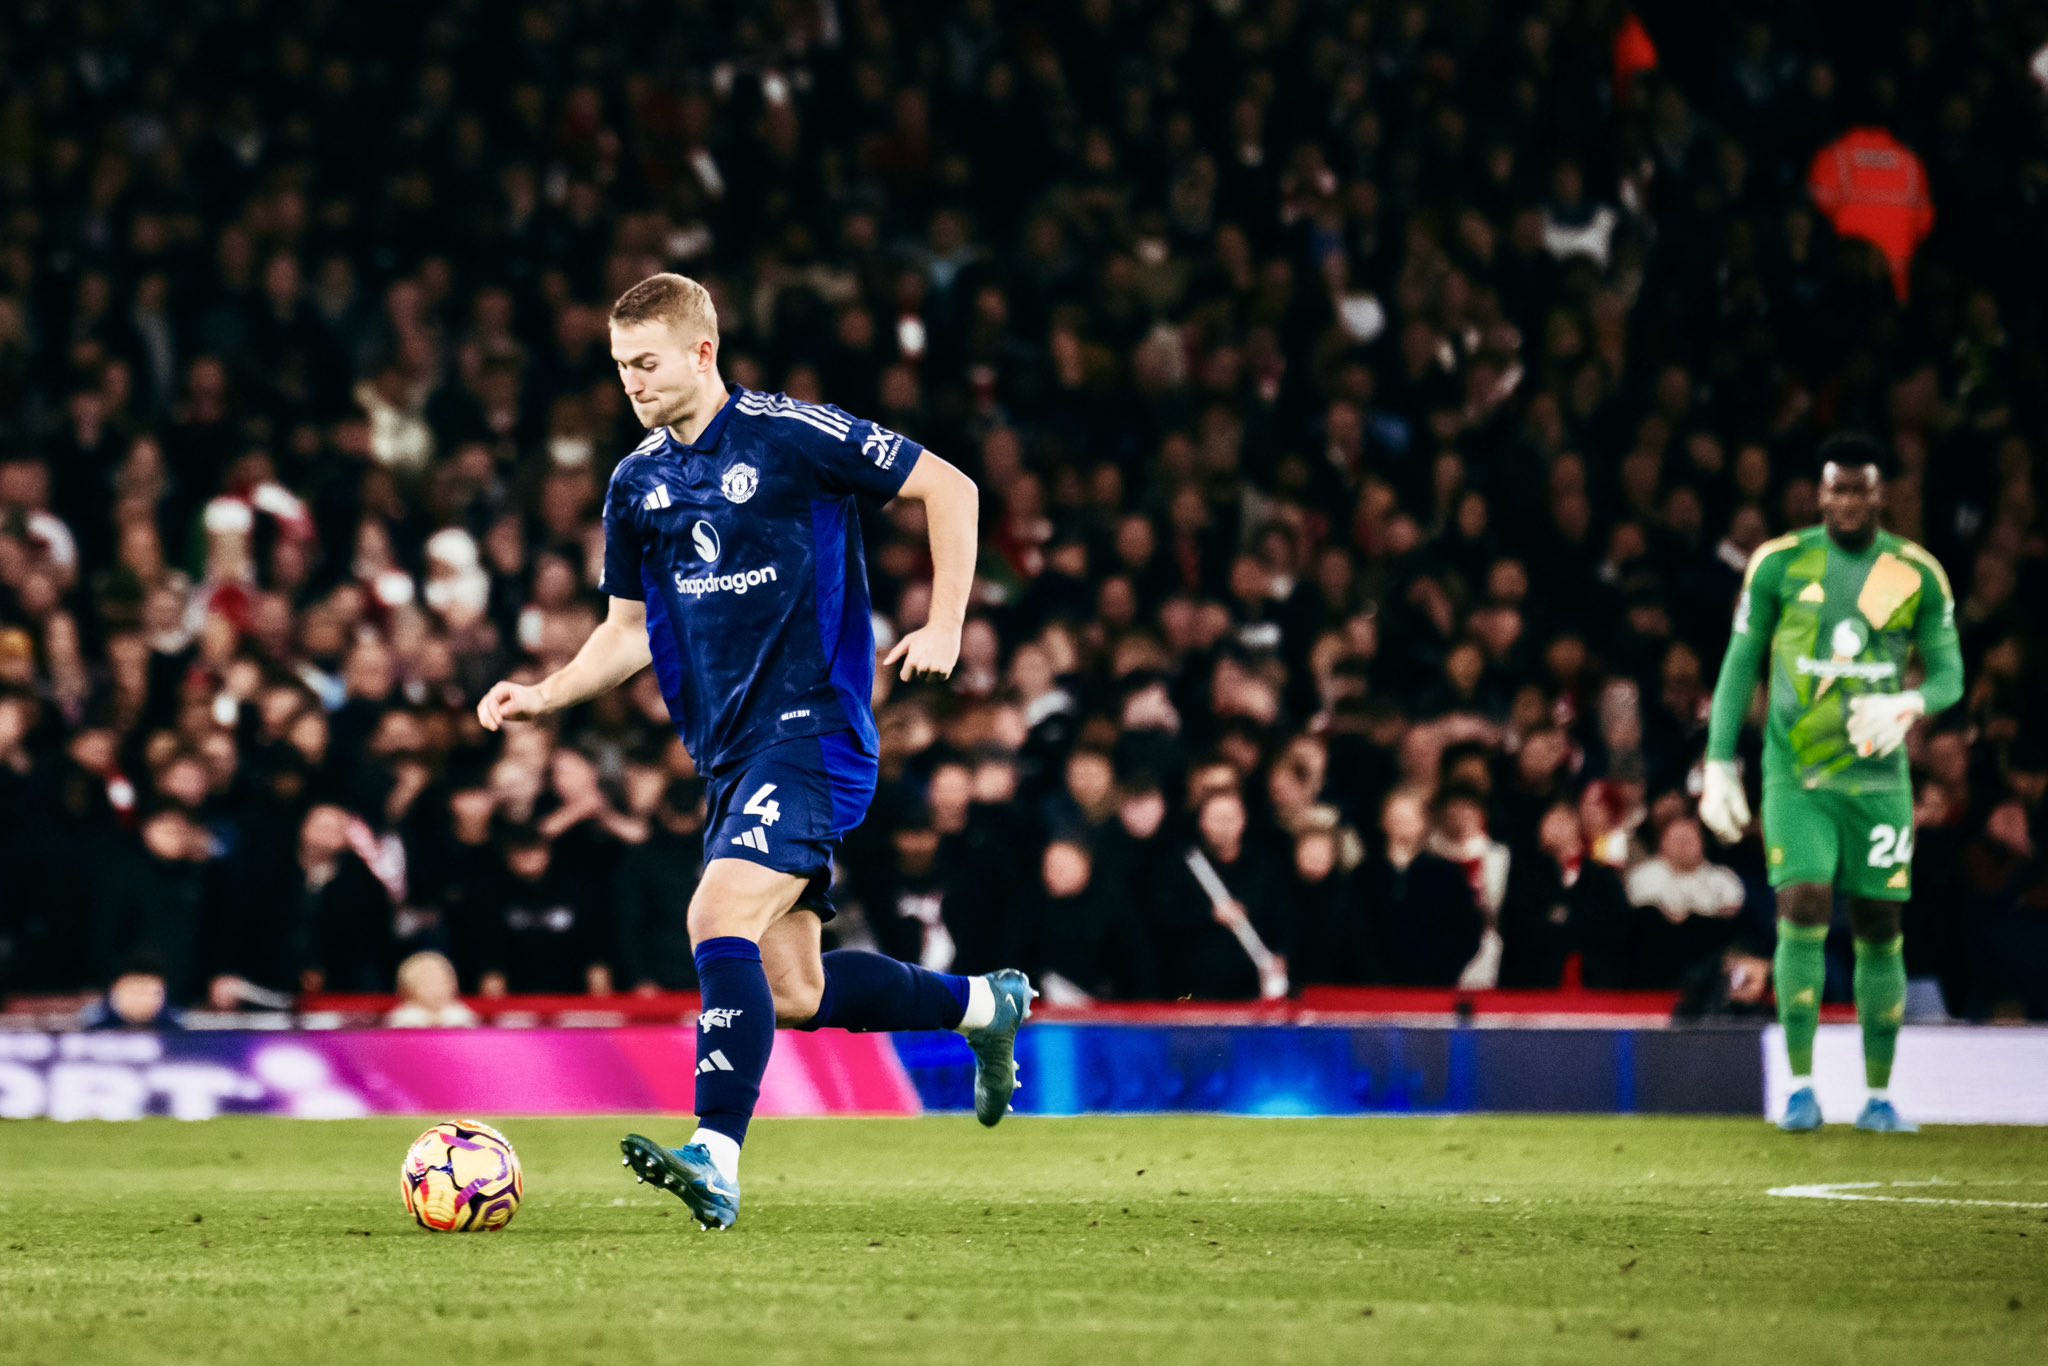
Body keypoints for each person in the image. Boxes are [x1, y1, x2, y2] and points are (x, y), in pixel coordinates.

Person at [475, 273, 1029, 1230]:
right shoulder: (637, 483)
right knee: (796, 991)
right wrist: (544, 696)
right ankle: (985, 1006)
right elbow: (626, 632)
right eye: (619, 369)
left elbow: (952, 486)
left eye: (647, 363)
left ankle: (715, 1155)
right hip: (731, 760)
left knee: (715, 914)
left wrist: (943, 624)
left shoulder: (789, 435)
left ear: (701, 352)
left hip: (814, 733)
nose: (633, 384)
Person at [1699, 433, 1963, 1133]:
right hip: (1799, 775)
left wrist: (1912, 704)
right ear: (1820, 494)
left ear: (1881, 494)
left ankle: (1879, 1096)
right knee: (1804, 904)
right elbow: (1739, 663)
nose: (1847, 500)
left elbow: (1948, 674)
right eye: (1835, 489)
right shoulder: (1782, 563)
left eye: (1860, 488)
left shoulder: (1917, 573)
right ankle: (1802, 1086)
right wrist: (1720, 761)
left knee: (1880, 924)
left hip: (1878, 779)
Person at [386, 950, 481, 1027]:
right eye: (427, 983)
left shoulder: (462, 1016)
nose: (436, 989)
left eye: (442, 982)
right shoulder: (402, 1018)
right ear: (408, 989)